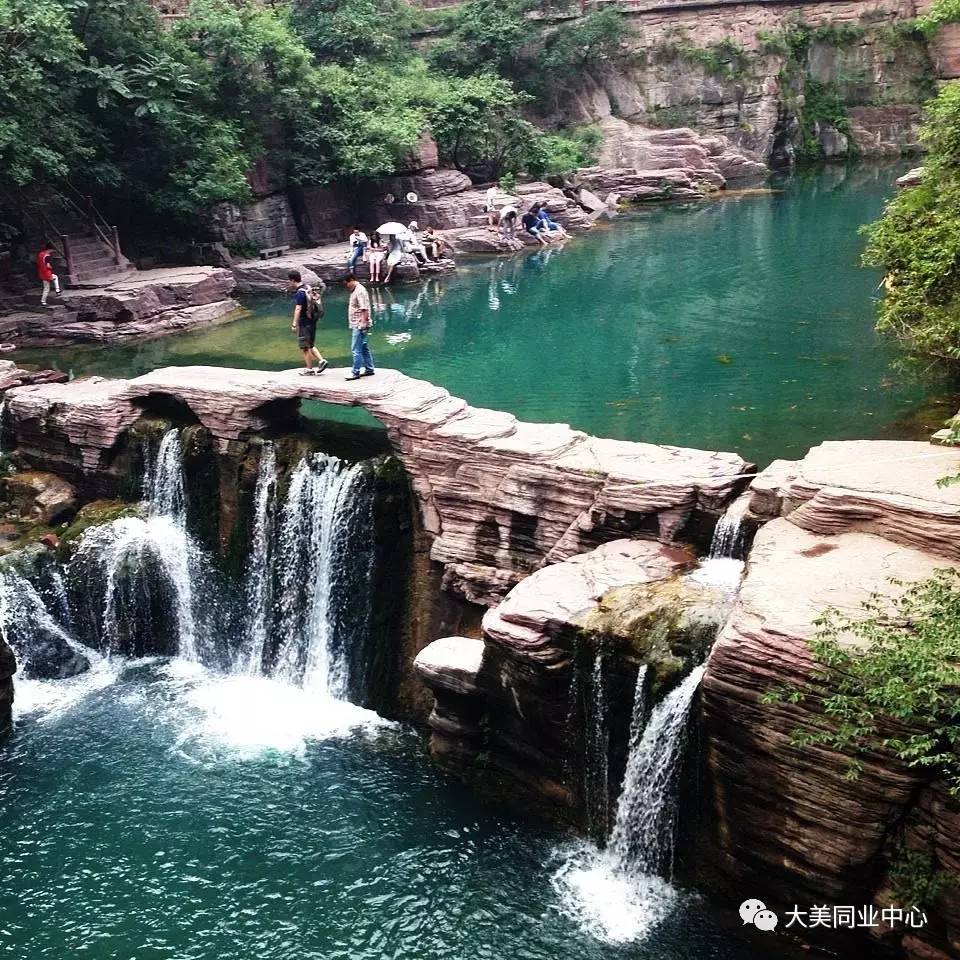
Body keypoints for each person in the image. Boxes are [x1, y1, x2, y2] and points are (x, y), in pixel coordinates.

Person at [286, 270, 328, 376]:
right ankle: (322, 361)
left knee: (304, 347)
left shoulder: (300, 292)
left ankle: (309, 369)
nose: (289, 283)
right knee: (310, 344)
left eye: (289, 281)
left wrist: (294, 323)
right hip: (312, 320)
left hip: (304, 322)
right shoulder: (307, 287)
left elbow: (298, 309)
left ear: (292, 280)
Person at [344, 276, 375, 381]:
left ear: (351, 280)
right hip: (358, 323)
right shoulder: (355, 290)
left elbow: (364, 308)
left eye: (346, 283)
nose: (346, 286)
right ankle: (369, 368)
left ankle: (355, 372)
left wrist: (363, 323)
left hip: (359, 324)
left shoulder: (359, 291)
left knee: (356, 349)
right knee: (364, 347)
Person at [37, 241, 60, 306]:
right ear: (50, 249)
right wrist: (51, 268)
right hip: (47, 273)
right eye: (52, 250)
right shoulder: (47, 256)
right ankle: (43, 301)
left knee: (55, 277)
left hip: (41, 272)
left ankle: (58, 291)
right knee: (47, 288)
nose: (52, 251)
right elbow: (48, 265)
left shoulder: (41, 254)